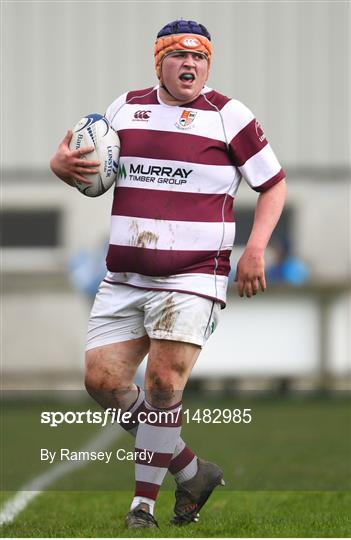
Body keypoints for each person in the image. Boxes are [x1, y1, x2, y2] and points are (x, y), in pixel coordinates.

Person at [50, 19, 287, 529]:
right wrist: (60, 165)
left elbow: (274, 185)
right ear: (158, 61)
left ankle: (142, 508)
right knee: (102, 380)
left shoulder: (230, 116)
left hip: (195, 275)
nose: (190, 64)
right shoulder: (124, 108)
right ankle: (192, 470)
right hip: (125, 275)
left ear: (209, 64)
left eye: (200, 56)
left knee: (162, 382)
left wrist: (256, 248)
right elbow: (83, 163)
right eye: (178, 55)